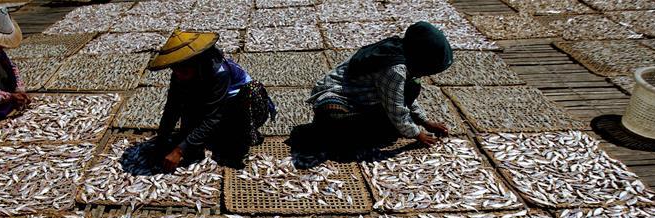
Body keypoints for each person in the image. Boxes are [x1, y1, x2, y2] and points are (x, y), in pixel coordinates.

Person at [306, 21, 454, 153]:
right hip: (338, 94)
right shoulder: (395, 69)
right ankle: (329, 131)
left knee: (409, 91)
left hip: (366, 96)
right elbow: (396, 107)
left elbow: (404, 97)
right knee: (338, 122)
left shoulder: (403, 49)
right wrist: (416, 134)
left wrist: (423, 121)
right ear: (421, 59)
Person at [147, 30, 276, 170]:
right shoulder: (180, 73)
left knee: (250, 94)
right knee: (189, 135)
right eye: (175, 69)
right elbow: (172, 108)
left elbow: (213, 117)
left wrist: (179, 150)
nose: (178, 74)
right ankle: (209, 137)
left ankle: (239, 141)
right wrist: (161, 140)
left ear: (195, 62)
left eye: (183, 70)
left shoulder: (219, 72)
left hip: (240, 107)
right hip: (215, 104)